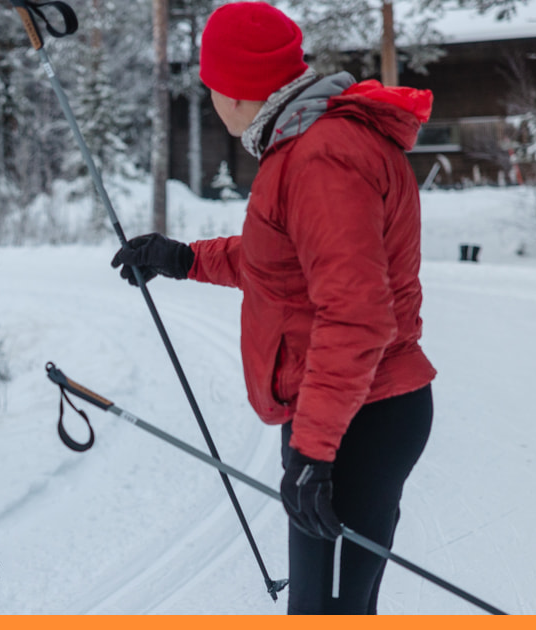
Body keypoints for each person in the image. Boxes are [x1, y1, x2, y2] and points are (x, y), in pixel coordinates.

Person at [109, 1, 437, 614]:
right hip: (346, 409)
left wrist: (314, 450)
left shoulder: (321, 156)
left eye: (210, 86)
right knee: (334, 610)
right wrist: (183, 258)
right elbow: (285, 262)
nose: (211, 99)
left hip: (354, 418)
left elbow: (356, 313)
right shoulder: (308, 144)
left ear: (234, 91)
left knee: (327, 615)